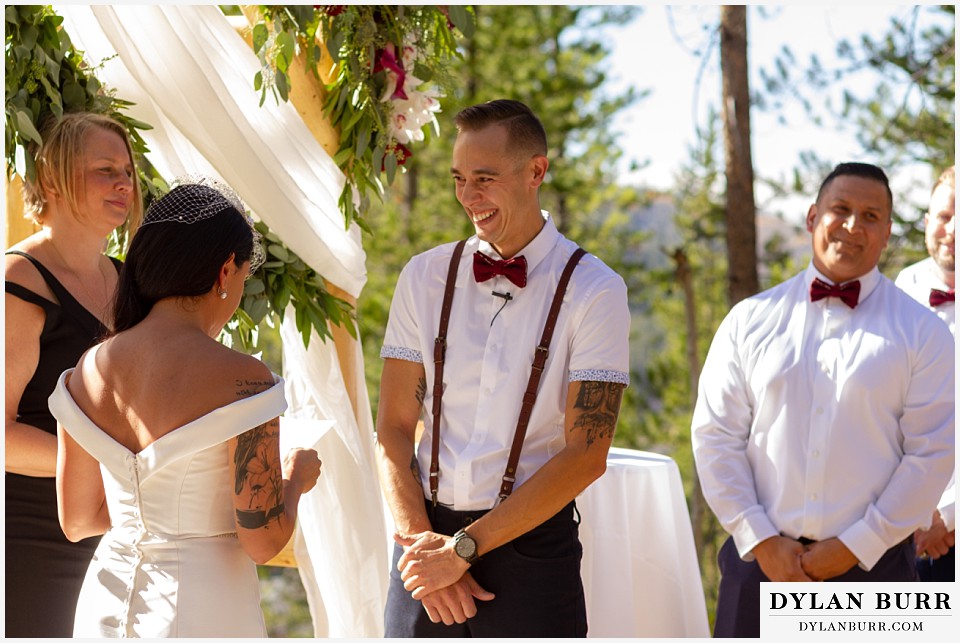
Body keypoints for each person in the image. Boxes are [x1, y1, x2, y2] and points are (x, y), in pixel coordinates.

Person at [375, 99, 630, 637]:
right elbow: (393, 431)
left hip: (532, 552)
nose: (469, 196)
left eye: (484, 179)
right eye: (458, 179)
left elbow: (587, 454)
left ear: (536, 171)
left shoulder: (594, 290)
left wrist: (462, 551)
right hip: (422, 545)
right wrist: (429, 552)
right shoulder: (423, 277)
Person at [47, 178, 322, 637]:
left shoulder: (88, 368)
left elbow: (77, 520)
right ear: (225, 271)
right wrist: (295, 480)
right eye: (244, 277)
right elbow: (264, 539)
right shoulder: (244, 380)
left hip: (104, 603)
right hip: (203, 609)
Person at [691, 162, 955, 638]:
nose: (854, 226)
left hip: (876, 577)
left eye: (871, 216)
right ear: (813, 216)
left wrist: (856, 545)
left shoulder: (924, 333)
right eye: (841, 209)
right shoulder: (748, 320)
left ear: (889, 231)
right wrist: (763, 539)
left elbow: (931, 454)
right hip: (760, 568)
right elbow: (716, 438)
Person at [4, 112, 142, 637]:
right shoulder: (19, 280)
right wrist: (107, 469)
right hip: (27, 539)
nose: (123, 182)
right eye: (104, 170)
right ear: (54, 180)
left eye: (127, 171)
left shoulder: (129, 283)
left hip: (111, 534)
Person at [895, 166, 955, 581]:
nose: (951, 230)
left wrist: (948, 518)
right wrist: (914, 512)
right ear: (926, 222)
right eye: (944, 216)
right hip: (904, 526)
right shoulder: (903, 288)